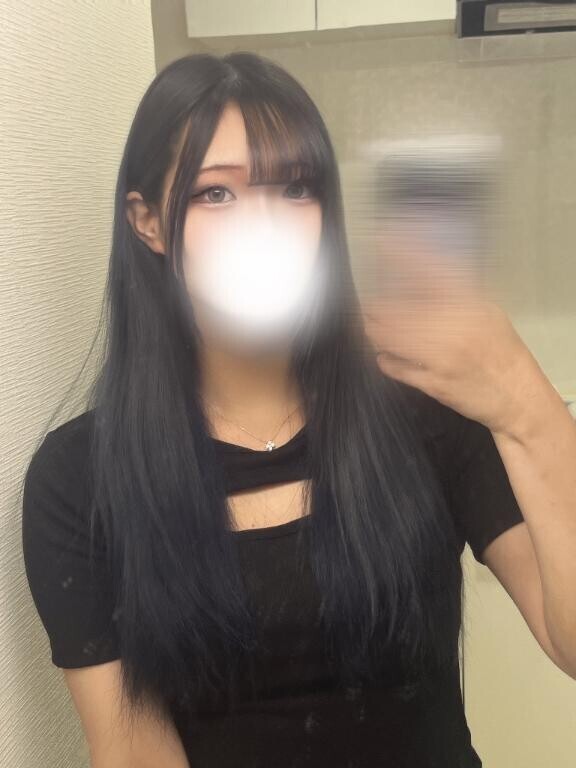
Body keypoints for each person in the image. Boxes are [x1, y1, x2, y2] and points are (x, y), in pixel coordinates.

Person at [21, 52, 576, 768]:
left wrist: (527, 404)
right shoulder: (80, 479)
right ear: (148, 221)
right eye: (215, 193)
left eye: (293, 188)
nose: (265, 225)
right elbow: (132, 750)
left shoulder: (426, 412)